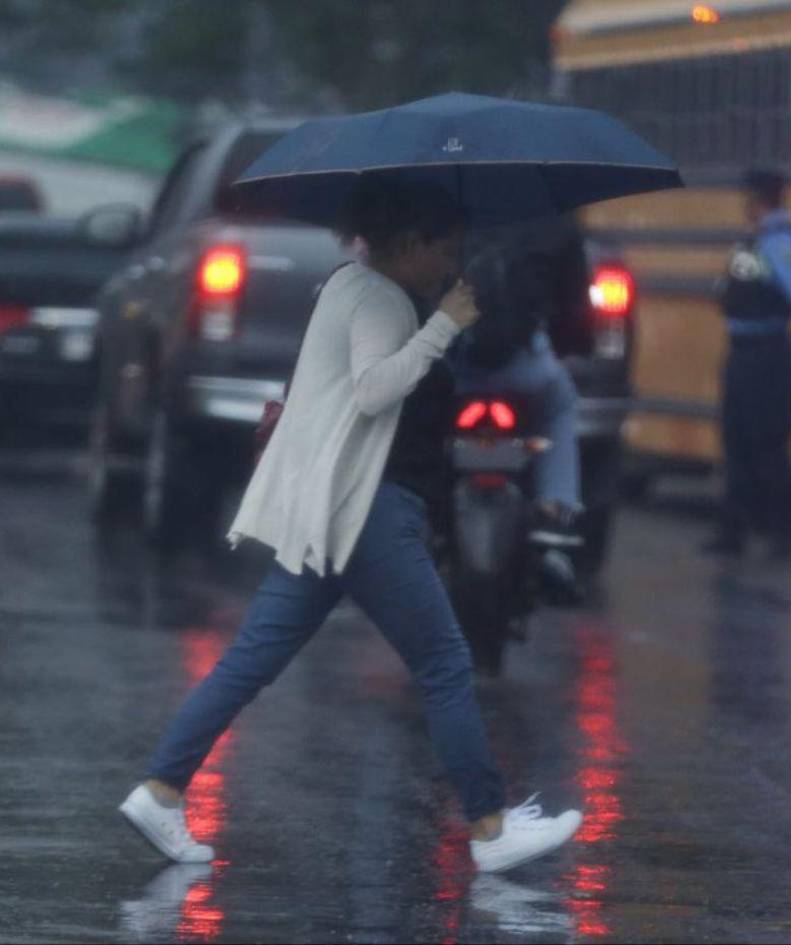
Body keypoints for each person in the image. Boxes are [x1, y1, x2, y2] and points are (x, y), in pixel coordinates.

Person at [118, 177, 582, 874]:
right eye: (444, 248)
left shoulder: (347, 284)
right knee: (444, 663)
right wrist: (443, 325)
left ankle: (160, 790)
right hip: (369, 509)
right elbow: (372, 390)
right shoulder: (379, 297)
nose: (449, 262)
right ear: (411, 241)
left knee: (250, 661)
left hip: (332, 508)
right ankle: (491, 827)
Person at [702, 167, 791, 561]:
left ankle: (782, 534)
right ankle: (732, 531)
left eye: (748, 197)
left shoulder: (780, 242)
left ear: (758, 199)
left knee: (769, 445)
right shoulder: (754, 240)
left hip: (767, 355)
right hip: (742, 352)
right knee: (735, 440)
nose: (743, 204)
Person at [457, 217, 591, 600]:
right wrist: (576, 346)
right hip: (524, 370)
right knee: (560, 407)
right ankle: (554, 520)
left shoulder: (448, 209)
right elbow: (574, 310)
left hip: (456, 370)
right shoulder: (555, 224)